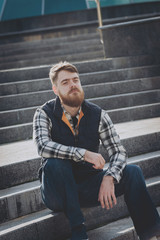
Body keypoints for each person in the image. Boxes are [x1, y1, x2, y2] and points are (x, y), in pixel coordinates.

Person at [33, 61, 160, 240]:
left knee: (133, 172)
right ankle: (79, 233)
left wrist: (110, 176)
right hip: (57, 193)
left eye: (75, 80)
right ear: (55, 89)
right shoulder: (44, 113)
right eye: (65, 82)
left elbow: (119, 152)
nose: (73, 85)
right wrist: (83, 153)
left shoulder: (97, 114)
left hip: (87, 186)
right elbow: (42, 146)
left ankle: (152, 235)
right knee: (55, 162)